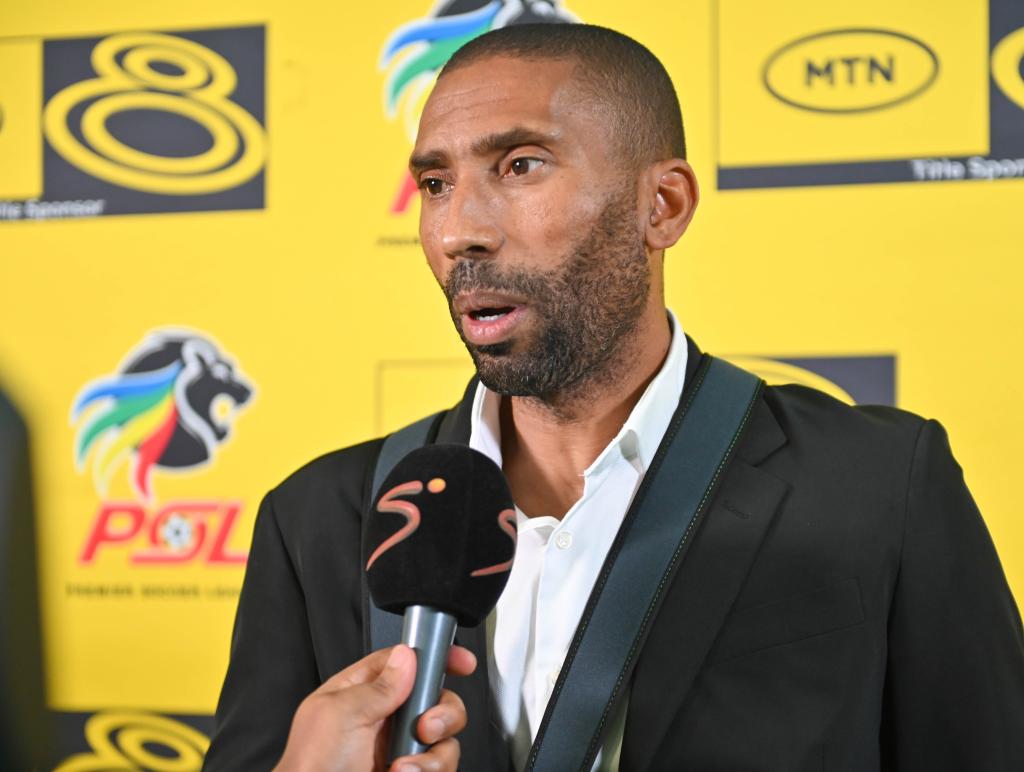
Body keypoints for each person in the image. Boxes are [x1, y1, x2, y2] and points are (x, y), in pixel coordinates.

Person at [204, 23, 1024, 772]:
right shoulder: (317, 519)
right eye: (435, 183)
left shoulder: (879, 486)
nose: (458, 232)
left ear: (661, 206)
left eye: (520, 166)